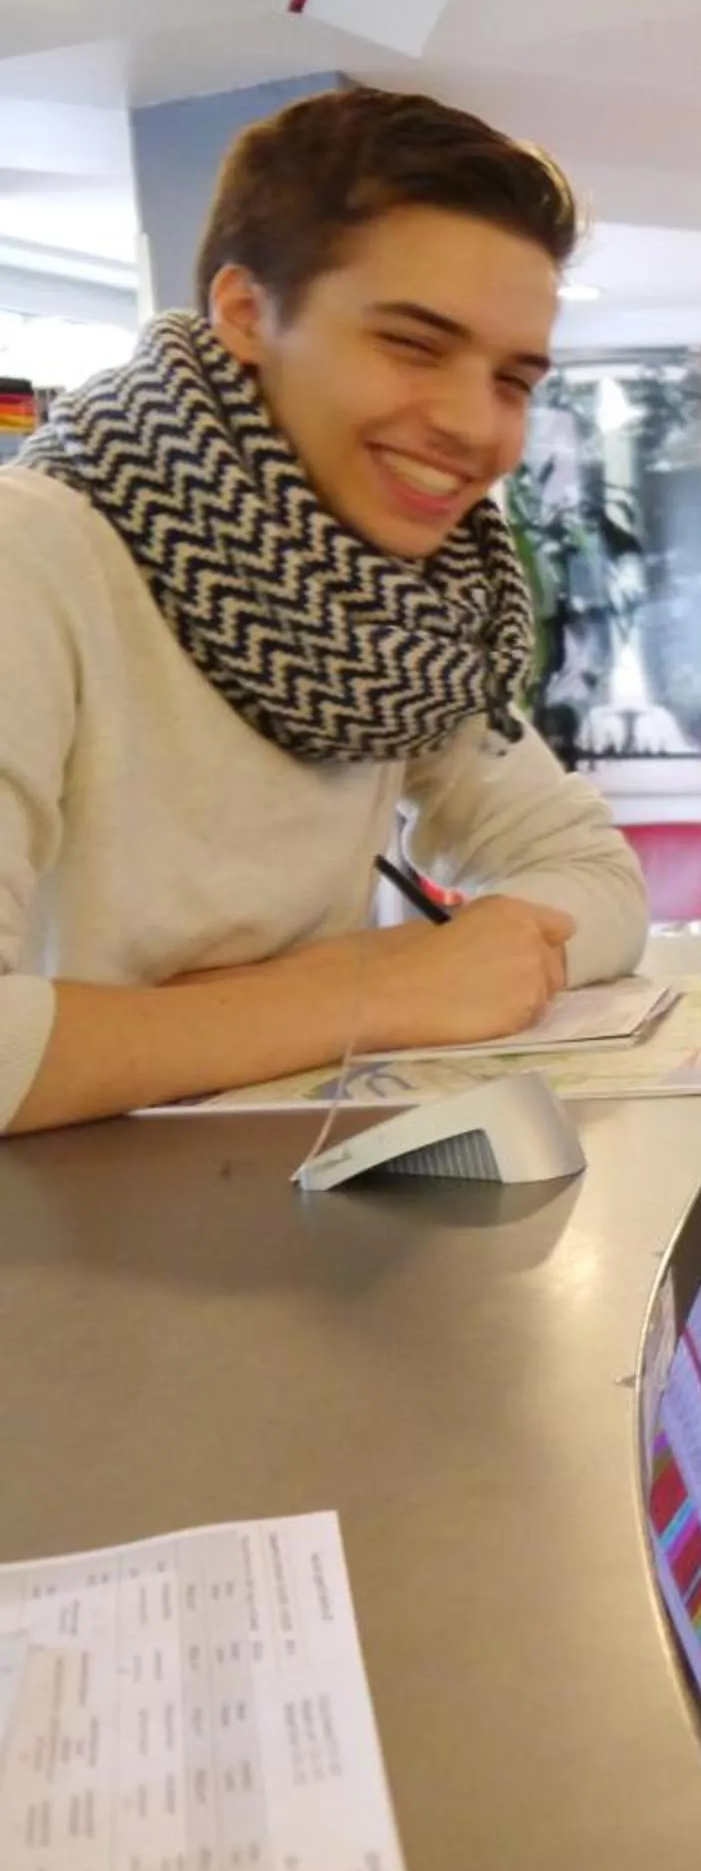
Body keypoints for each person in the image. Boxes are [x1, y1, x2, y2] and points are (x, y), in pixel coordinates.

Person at [0, 87, 647, 1135]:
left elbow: (595, 878)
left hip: (285, 1236)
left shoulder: (401, 619)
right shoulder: (32, 553)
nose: (474, 427)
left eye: (514, 379)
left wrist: (444, 962)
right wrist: (373, 990)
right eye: (414, 345)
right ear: (245, 313)